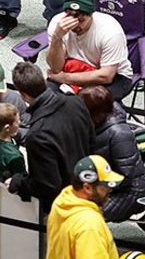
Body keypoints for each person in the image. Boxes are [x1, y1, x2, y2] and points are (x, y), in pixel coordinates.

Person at [5, 62, 93, 213]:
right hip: (89, 187)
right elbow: (92, 140)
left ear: (22, 95)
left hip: (64, 206)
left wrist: (18, 182)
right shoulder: (75, 102)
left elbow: (47, 185)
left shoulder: (37, 135)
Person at [43, 156, 124, 259]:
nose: (110, 191)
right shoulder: (89, 224)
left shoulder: (63, 202)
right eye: (104, 187)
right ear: (87, 188)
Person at [46, 0, 135, 100]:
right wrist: (56, 38)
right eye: (71, 18)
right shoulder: (57, 24)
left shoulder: (110, 31)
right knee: (48, 98)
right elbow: (55, 68)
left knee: (88, 102)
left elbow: (106, 76)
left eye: (81, 20)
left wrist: (66, 78)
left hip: (112, 76)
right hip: (73, 67)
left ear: (92, 14)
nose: (76, 25)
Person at [79, 86, 145, 222]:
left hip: (129, 191)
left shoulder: (120, 135)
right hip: (99, 183)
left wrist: (96, 187)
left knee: (84, 217)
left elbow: (126, 177)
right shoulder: (92, 125)